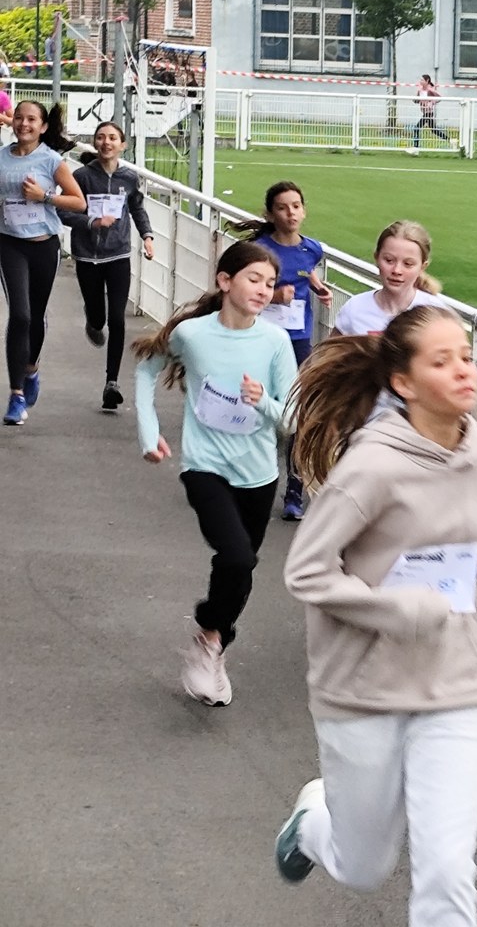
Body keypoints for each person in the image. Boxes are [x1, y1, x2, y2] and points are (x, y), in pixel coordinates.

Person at [273, 304, 477, 927]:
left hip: (455, 683)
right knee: (363, 867)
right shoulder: (371, 469)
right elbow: (306, 571)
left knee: (448, 869)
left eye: (467, 357)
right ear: (403, 382)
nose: (464, 371)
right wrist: (398, 609)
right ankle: (313, 822)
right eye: (442, 361)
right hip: (362, 689)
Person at [132, 240, 298, 706]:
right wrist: (149, 434)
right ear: (225, 281)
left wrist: (262, 402)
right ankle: (210, 635)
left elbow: (292, 419)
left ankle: (213, 642)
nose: (263, 290)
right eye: (253, 279)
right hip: (204, 466)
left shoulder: (275, 342)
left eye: (270, 283)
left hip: (258, 474)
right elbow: (147, 369)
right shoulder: (192, 335)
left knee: (241, 565)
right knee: (237, 557)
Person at [231, 181, 331, 521]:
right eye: (282, 208)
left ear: (304, 210)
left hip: (298, 340)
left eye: (296, 206)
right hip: (259, 337)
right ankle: (243, 478)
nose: (291, 213)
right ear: (270, 214)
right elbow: (239, 292)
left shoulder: (312, 249)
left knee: (298, 412)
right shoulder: (259, 251)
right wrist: (274, 296)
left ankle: (294, 492)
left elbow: (306, 271)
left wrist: (317, 287)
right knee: (254, 406)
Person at [0, 101, 86, 426]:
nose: (24, 124)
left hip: (43, 246)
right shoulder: (1, 157)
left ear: (43, 126)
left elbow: (79, 202)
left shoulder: (51, 160)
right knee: (20, 315)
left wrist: (44, 197)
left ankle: (31, 368)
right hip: (9, 244)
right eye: (19, 118)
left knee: (35, 316)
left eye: (31, 119)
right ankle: (16, 395)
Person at [59, 121, 154, 411]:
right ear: (95, 143)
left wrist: (147, 236)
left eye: (112, 138)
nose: (106, 142)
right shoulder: (82, 177)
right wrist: (91, 222)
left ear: (122, 145)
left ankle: (112, 382)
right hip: (87, 255)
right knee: (99, 318)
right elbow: (63, 211)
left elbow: (136, 208)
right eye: (101, 137)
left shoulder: (129, 178)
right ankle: (92, 319)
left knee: (117, 318)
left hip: (118, 255)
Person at [332, 220, 444, 337]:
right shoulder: (355, 308)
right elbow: (330, 348)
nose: (397, 270)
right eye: (389, 260)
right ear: (377, 258)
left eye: (408, 264)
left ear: (422, 267)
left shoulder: (435, 312)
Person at [410, 74, 448, 152]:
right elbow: (417, 100)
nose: (420, 81)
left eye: (422, 80)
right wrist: (414, 100)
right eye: (420, 80)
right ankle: (450, 140)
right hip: (424, 112)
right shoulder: (419, 90)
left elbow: (439, 98)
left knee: (416, 128)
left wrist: (432, 102)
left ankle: (415, 148)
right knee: (434, 130)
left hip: (429, 113)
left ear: (427, 81)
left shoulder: (430, 90)